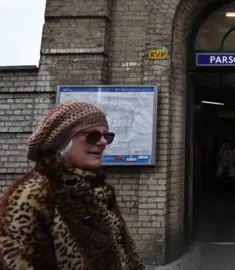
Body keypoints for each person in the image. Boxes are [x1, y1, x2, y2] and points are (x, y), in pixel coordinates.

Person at [0, 101, 144, 270]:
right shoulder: (34, 195)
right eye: (93, 136)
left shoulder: (98, 191)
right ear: (61, 142)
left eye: (107, 135)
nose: (103, 142)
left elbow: (127, 254)